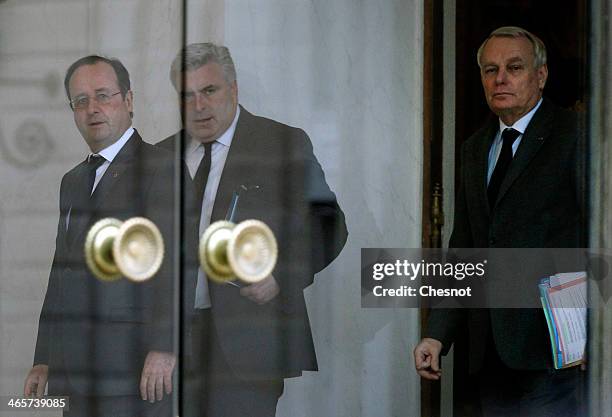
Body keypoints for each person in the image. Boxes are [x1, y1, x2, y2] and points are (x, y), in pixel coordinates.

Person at [157, 42, 348, 417]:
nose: (198, 105)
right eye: (187, 95)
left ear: (233, 88)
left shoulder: (280, 144)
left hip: (249, 339)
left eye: (209, 91)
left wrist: (280, 275)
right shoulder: (161, 154)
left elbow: (328, 224)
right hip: (174, 345)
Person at [413, 27, 585, 416]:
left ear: (540, 76)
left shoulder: (576, 137)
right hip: (489, 350)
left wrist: (595, 336)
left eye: (514, 67)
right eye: (490, 70)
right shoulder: (475, 149)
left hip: (556, 349)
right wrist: (437, 335)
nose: (500, 78)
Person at [23, 55, 191, 417]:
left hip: (133, 369)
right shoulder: (72, 180)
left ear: (128, 101)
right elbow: (61, 271)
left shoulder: (161, 168)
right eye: (80, 101)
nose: (92, 109)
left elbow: (179, 264)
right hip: (73, 371)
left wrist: (166, 346)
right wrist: (44, 358)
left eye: (103, 95)